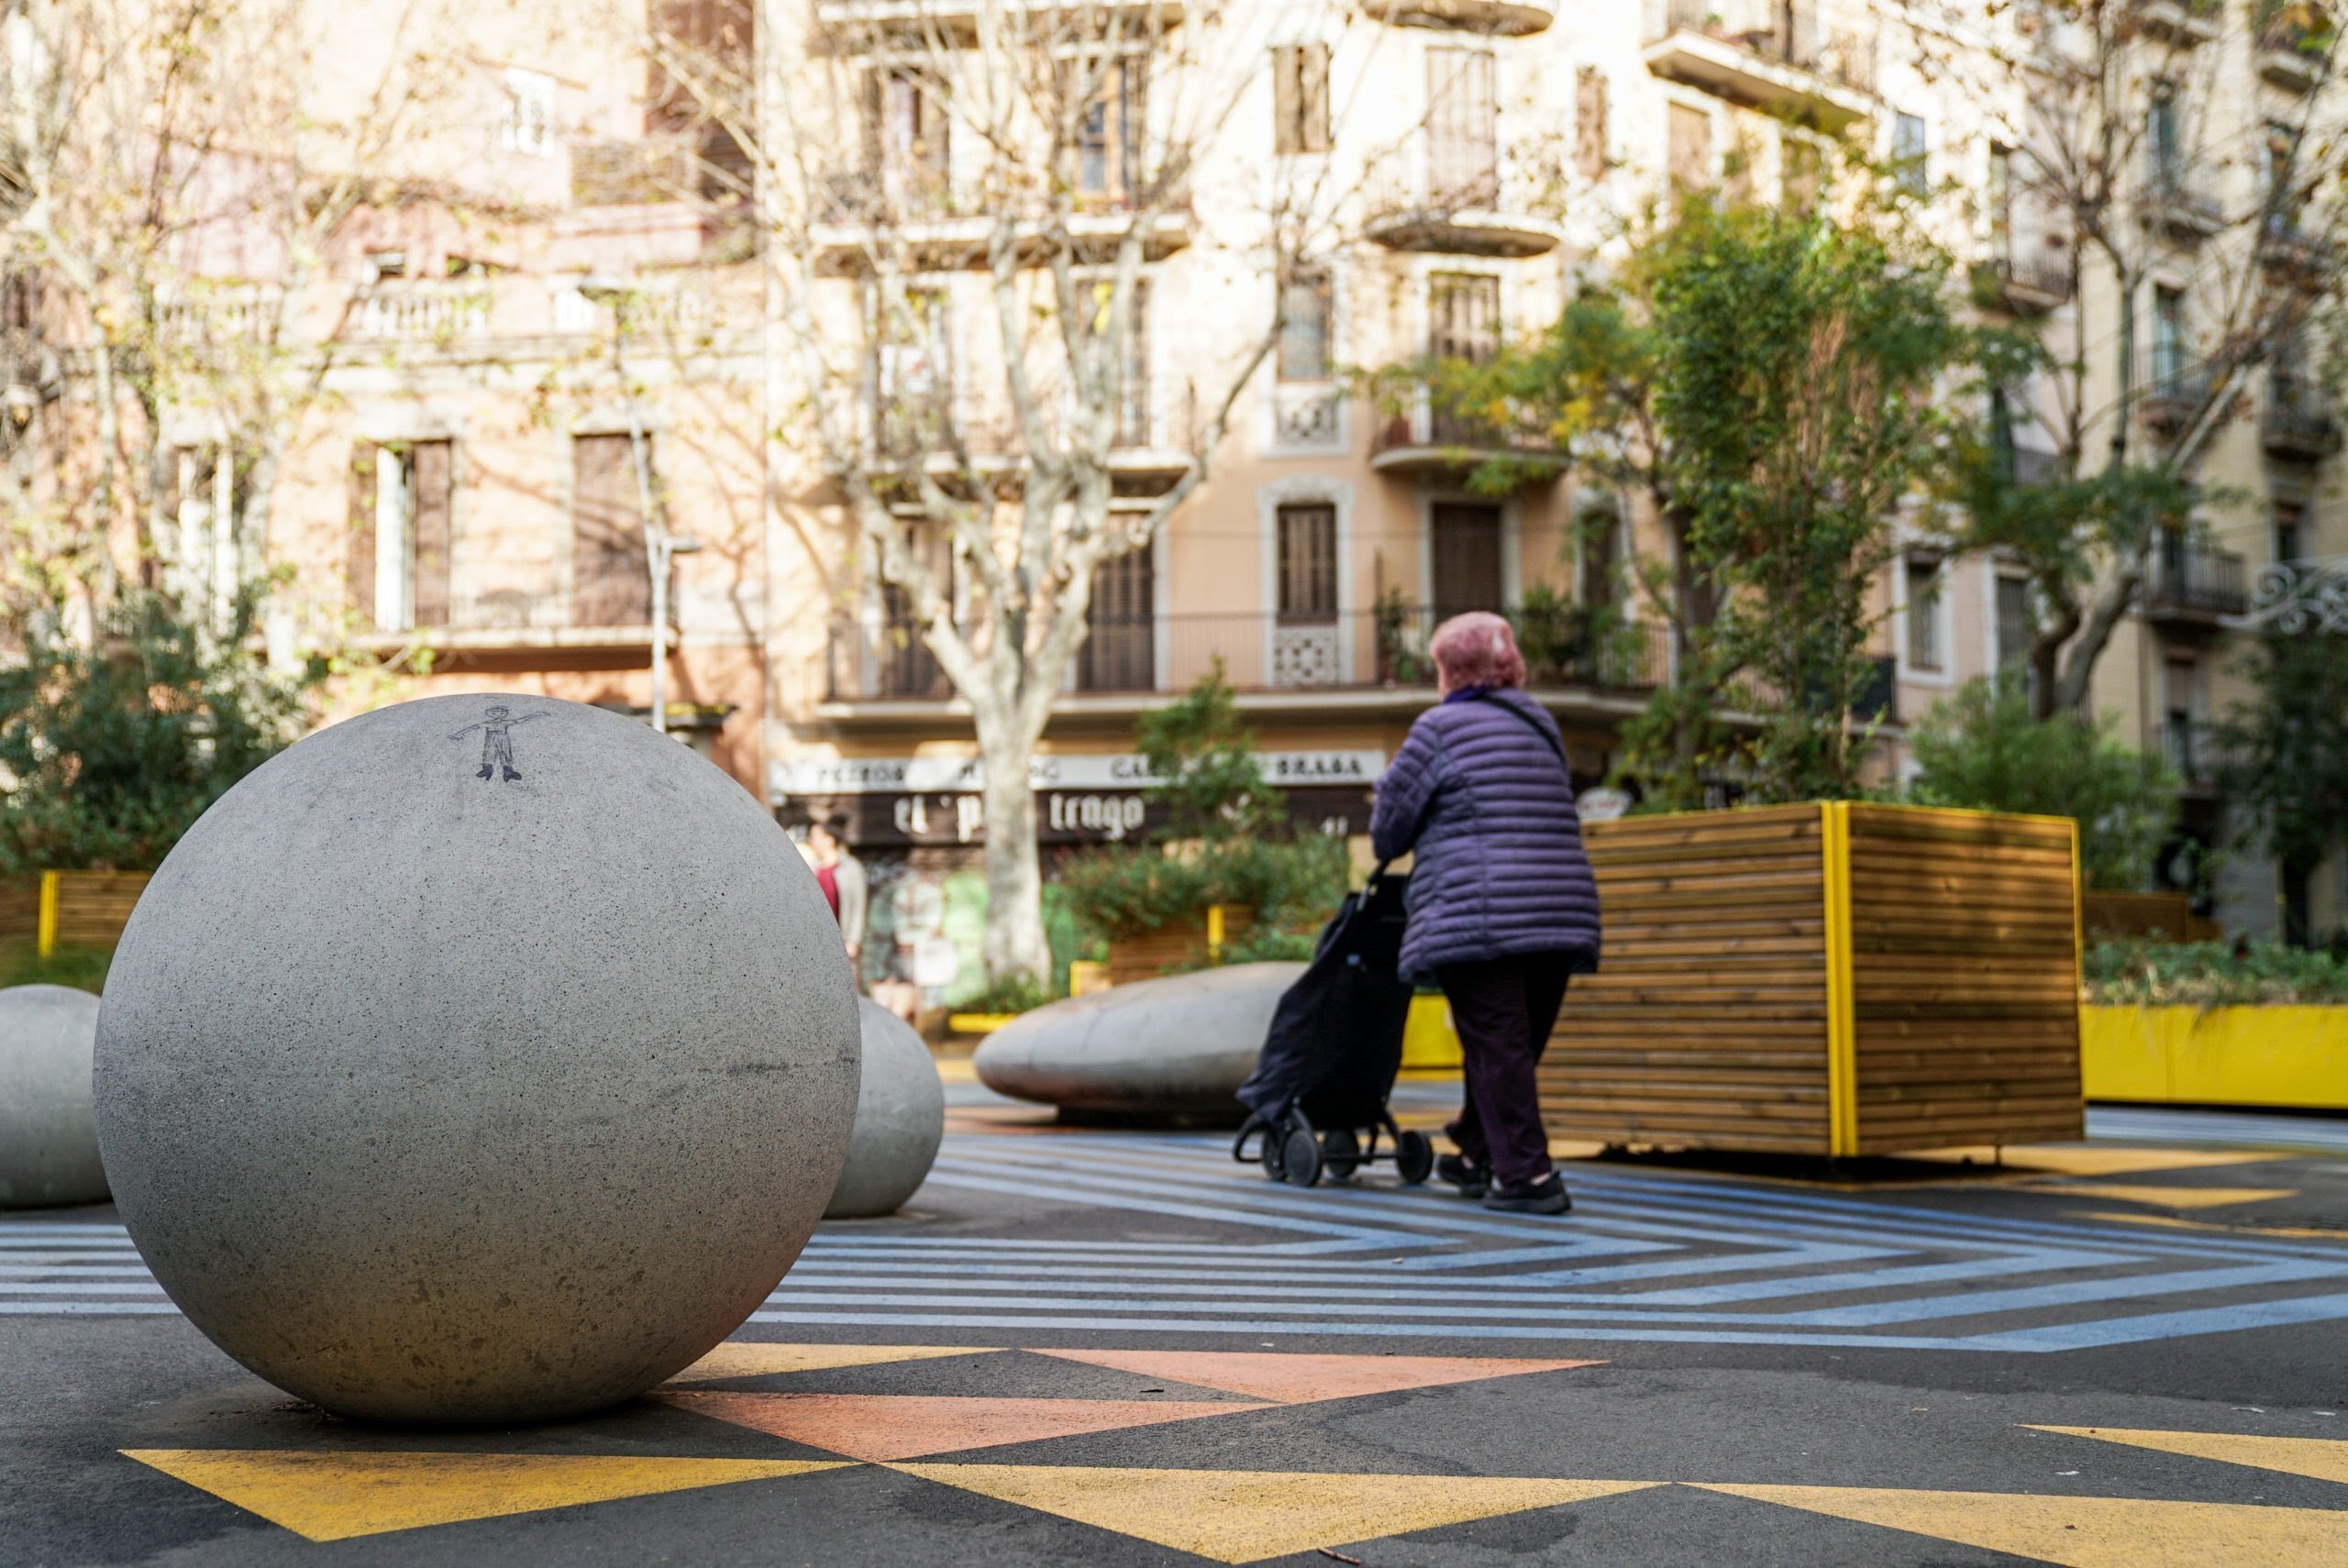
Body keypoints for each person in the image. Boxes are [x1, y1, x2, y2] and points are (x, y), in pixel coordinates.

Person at [1369, 612, 1601, 1215]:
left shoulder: (1437, 729)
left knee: (1498, 1044)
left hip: (1479, 912)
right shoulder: (1539, 721)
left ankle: (1527, 1178)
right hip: (1559, 908)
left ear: (1448, 669)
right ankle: (1476, 1151)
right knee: (1510, 1045)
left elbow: (1388, 834)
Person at [804, 814, 869, 976]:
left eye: (815, 837)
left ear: (829, 840)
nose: (811, 841)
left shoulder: (850, 868)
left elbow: (858, 905)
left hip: (842, 938)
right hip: (817, 940)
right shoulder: (812, 868)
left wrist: (853, 940)